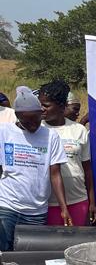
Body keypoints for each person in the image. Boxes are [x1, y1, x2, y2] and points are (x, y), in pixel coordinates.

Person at [0, 87, 70, 251]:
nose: (33, 125)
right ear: (17, 116)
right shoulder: (4, 132)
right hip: (7, 206)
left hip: (36, 212)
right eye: (27, 121)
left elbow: (55, 174)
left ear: (41, 113)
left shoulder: (50, 136)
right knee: (3, 256)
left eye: (36, 120)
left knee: (29, 260)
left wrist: (64, 208)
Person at [39, 79, 96, 226]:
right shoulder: (37, 129)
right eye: (40, 104)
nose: (41, 109)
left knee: (76, 246)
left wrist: (92, 202)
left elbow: (87, 169)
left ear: (61, 106)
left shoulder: (79, 130)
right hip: (47, 203)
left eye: (46, 105)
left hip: (78, 199)